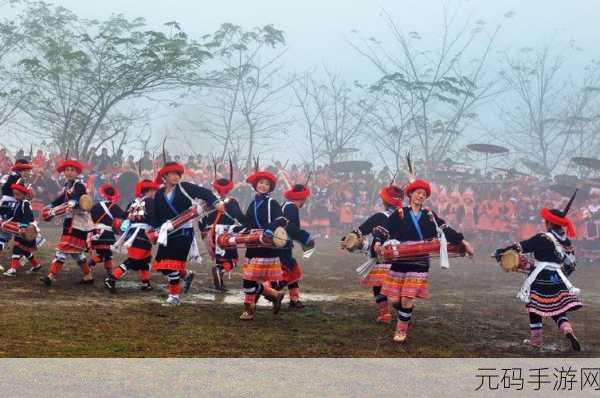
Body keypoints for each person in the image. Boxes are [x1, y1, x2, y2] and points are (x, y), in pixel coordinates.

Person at [375, 178, 474, 342]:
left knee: (407, 298)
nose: (421, 196)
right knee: (394, 300)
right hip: (400, 258)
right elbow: (384, 228)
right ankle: (406, 316)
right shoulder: (400, 213)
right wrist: (378, 242)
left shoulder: (429, 215)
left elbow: (445, 229)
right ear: (411, 195)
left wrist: (464, 242)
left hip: (420, 260)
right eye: (418, 193)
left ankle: (401, 329)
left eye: (424, 194)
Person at [493, 191, 583, 351]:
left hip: (540, 277)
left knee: (535, 307)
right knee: (557, 307)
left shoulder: (543, 237)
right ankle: (567, 329)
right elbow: (571, 264)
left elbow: (522, 246)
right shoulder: (566, 241)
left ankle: (536, 341)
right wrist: (560, 275)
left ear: (548, 222)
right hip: (558, 277)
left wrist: (501, 251)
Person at [152, 161, 223, 306]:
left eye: (178, 174)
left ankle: (174, 297)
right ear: (165, 175)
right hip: (167, 232)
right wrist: (154, 229)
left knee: (172, 264)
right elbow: (157, 214)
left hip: (184, 231)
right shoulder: (159, 193)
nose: (176, 177)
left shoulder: (185, 188)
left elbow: (205, 193)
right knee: (163, 265)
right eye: (172, 174)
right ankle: (187, 275)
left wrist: (216, 202)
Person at [342, 182, 404, 323]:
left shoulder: (379, 216)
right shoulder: (405, 216)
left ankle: (385, 313)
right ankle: (404, 313)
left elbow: (361, 230)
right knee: (397, 288)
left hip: (382, 256)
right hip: (402, 257)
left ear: (384, 201)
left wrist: (345, 239)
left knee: (378, 286)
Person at [41, 157, 93, 286]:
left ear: (77, 172)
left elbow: (78, 198)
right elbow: (61, 199)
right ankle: (88, 276)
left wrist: (72, 203)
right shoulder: (67, 185)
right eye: (67, 170)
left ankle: (51, 276)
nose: (69, 172)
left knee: (63, 250)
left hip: (78, 223)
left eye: (72, 170)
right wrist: (50, 205)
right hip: (70, 221)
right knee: (77, 254)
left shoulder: (79, 185)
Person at [105, 179, 160, 292]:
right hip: (143, 234)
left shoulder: (132, 202)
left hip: (131, 233)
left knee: (145, 259)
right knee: (134, 260)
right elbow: (155, 217)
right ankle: (112, 278)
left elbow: (124, 216)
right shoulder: (150, 202)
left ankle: (146, 283)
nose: (155, 193)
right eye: (154, 190)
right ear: (150, 190)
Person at [199, 160, 246, 291]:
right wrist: (247, 225)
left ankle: (220, 281)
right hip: (226, 233)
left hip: (211, 233)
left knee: (220, 257)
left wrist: (204, 232)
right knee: (232, 259)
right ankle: (220, 271)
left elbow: (201, 220)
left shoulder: (208, 202)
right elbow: (240, 217)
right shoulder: (232, 202)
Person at [279, 182, 315, 308]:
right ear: (303, 198)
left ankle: (294, 300)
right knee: (287, 271)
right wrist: (306, 238)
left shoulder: (287, 205)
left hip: (283, 243)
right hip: (282, 245)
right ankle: (269, 293)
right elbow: (290, 227)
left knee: (293, 270)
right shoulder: (291, 207)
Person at [2, 182, 41, 276]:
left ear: (24, 194)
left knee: (17, 248)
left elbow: (26, 216)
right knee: (25, 250)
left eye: (18, 194)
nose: (15, 196)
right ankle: (36, 265)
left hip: (27, 230)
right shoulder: (18, 203)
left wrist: (23, 226)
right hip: (20, 230)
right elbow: (14, 215)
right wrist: (5, 219)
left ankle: (13, 270)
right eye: (14, 194)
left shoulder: (25, 204)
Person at [88, 184, 126, 276]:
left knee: (107, 253)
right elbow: (123, 217)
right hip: (106, 233)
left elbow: (90, 218)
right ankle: (91, 262)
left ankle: (109, 271)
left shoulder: (95, 206)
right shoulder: (114, 207)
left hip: (95, 232)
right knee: (105, 254)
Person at [0, 159, 33, 251]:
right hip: (11, 205)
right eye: (27, 170)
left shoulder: (11, 176)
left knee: (5, 234)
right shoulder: (18, 179)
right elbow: (22, 195)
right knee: (6, 234)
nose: (29, 172)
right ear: (22, 170)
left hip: (5, 203)